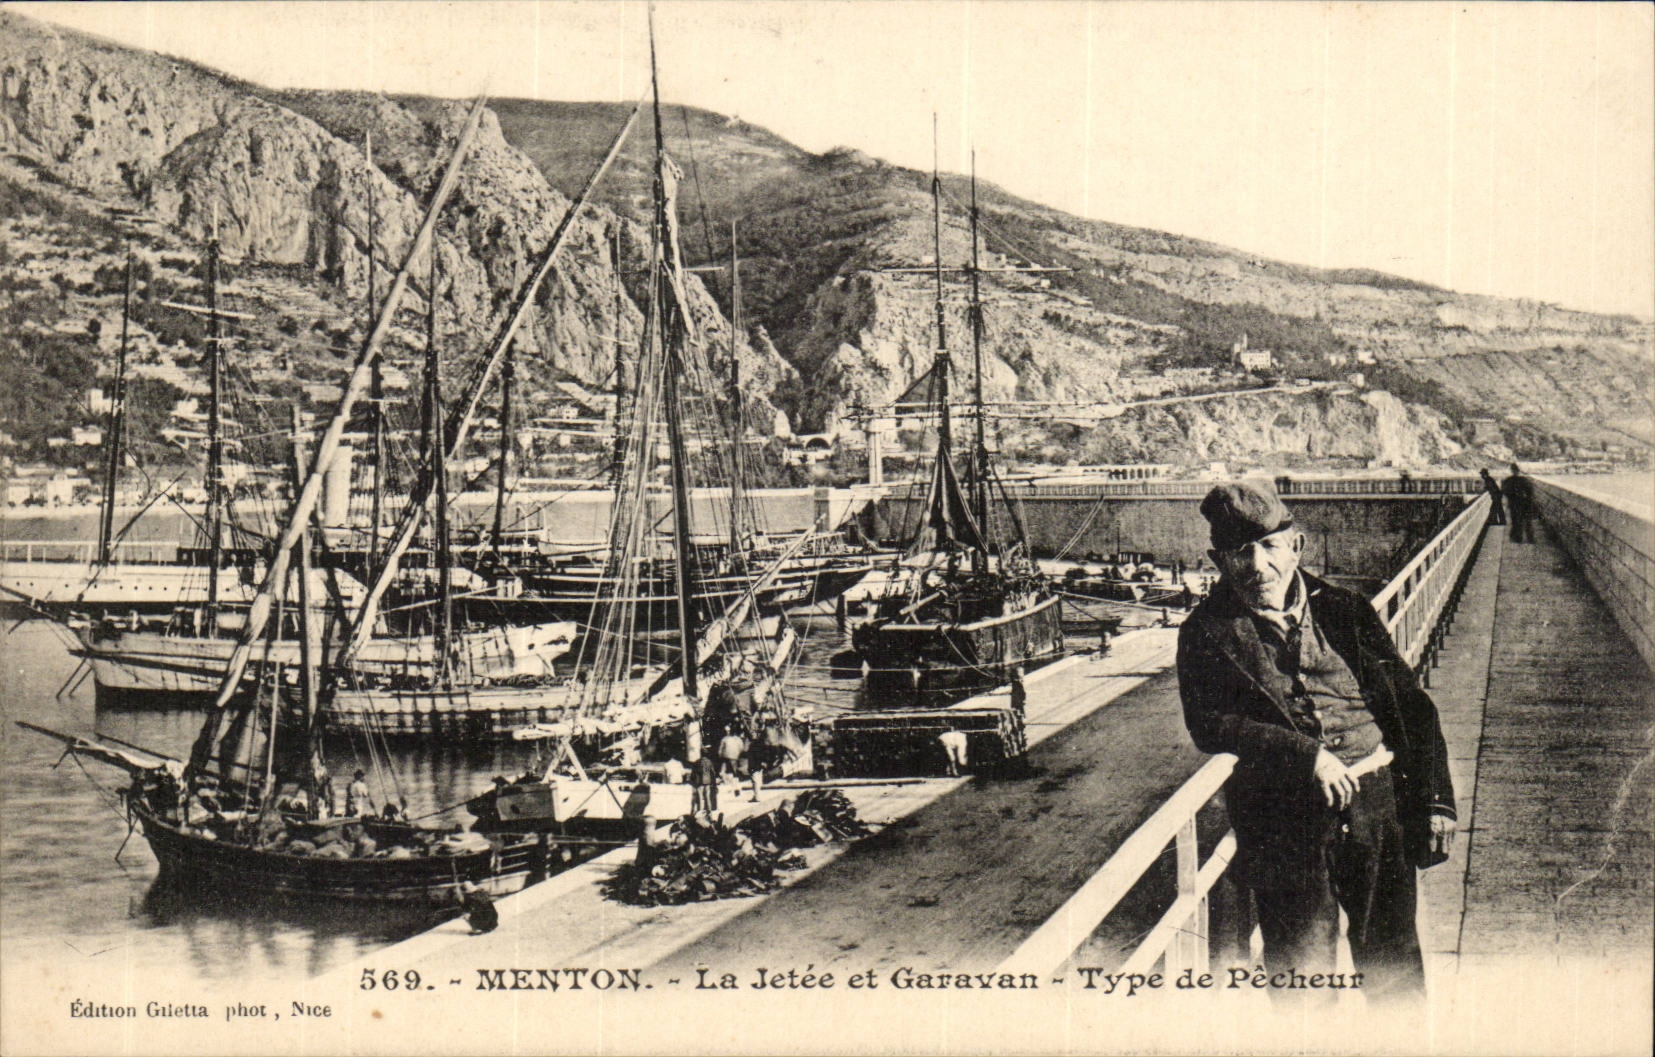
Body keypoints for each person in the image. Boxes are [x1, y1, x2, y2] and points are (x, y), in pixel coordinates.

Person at [1176, 479, 1456, 1006]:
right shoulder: (1205, 632)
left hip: (1377, 805)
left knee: (1394, 961)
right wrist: (1305, 754)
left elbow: (1412, 706)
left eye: (1269, 547)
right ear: (1219, 560)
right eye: (1239, 553)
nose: (1257, 566)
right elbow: (1208, 723)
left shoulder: (1346, 610)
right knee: (1302, 978)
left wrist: (1436, 799)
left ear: (1296, 546)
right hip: (1285, 819)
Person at [1503, 462, 1535, 543]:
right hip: (1525, 503)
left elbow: (1505, 491)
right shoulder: (1526, 480)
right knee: (1527, 521)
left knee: (1516, 521)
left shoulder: (1508, 480)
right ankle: (1530, 538)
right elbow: (1530, 492)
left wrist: (1511, 498)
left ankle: (1518, 538)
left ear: (1512, 470)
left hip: (1515, 504)